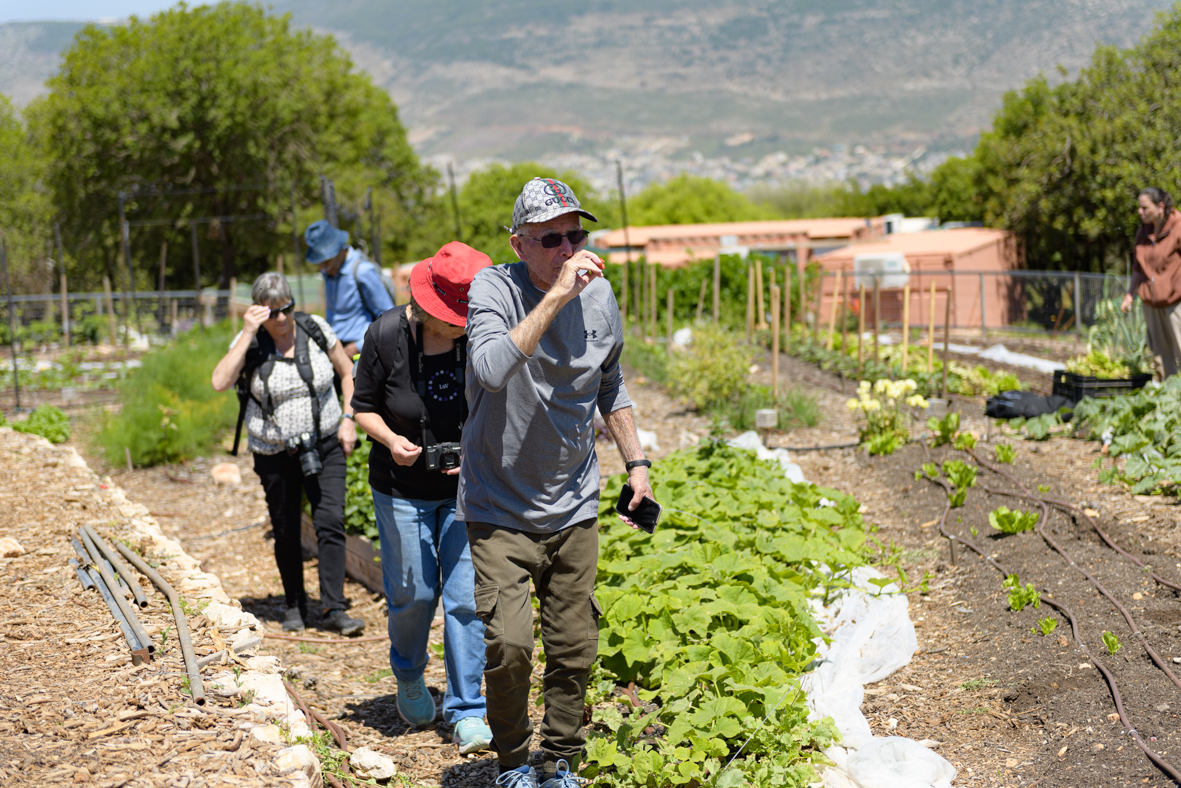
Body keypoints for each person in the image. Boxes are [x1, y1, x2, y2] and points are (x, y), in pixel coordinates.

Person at [458, 177, 657, 788]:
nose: (569, 249)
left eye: (577, 235)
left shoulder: (602, 298)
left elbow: (609, 381)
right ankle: (514, 764)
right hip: (499, 505)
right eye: (552, 239)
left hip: (573, 503)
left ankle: (560, 761)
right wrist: (557, 297)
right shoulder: (493, 288)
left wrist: (637, 464)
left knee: (575, 646)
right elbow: (491, 369)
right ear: (519, 244)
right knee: (511, 645)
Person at [351, 242, 495, 753]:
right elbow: (363, 407)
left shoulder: (481, 333)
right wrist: (392, 440)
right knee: (412, 593)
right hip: (401, 486)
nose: (464, 323)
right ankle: (409, 674)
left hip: (466, 488)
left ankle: (468, 709)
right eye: (456, 317)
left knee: (463, 599)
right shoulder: (386, 335)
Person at [212, 272, 366, 635]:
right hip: (274, 452)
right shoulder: (248, 342)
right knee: (285, 528)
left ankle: (333, 608)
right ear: (257, 312)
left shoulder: (315, 329)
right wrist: (249, 332)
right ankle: (294, 604)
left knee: (330, 521)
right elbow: (219, 382)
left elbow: (347, 374)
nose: (280, 319)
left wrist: (348, 420)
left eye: (286, 309)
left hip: (324, 442)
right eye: (271, 312)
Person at [305, 219, 395, 357]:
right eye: (319, 262)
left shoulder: (362, 271)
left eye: (326, 261)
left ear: (338, 250)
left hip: (363, 352)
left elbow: (389, 317)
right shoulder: (328, 273)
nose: (322, 267)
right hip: (336, 350)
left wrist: (359, 346)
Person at [1122, 186, 1181, 376]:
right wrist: (1130, 294)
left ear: (1160, 206)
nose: (1140, 212)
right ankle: (1168, 397)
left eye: (1145, 208)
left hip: (1176, 301)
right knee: (1160, 356)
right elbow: (1138, 268)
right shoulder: (1143, 234)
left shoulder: (1178, 226)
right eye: (1139, 208)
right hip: (1151, 302)